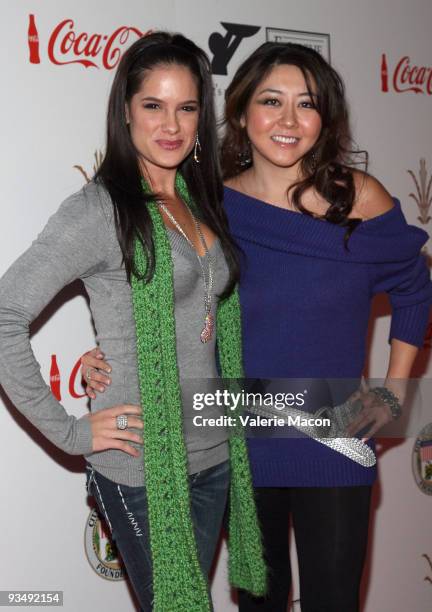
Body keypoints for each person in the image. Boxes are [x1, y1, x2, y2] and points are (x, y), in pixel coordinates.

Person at [83, 42, 432, 611]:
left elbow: (416, 289)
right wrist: (100, 358)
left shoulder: (358, 199)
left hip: (335, 431)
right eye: (272, 101)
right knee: (260, 606)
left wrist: (395, 392)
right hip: (238, 433)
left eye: (307, 104)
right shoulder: (206, 204)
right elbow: (154, 297)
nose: (289, 121)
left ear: (326, 119)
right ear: (242, 113)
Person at [0, 32, 266, 612]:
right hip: (140, 467)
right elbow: (5, 315)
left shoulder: (199, 199)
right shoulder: (99, 210)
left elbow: (203, 313)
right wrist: (72, 434)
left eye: (186, 107)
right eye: (153, 105)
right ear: (126, 111)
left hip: (214, 455)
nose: (171, 124)